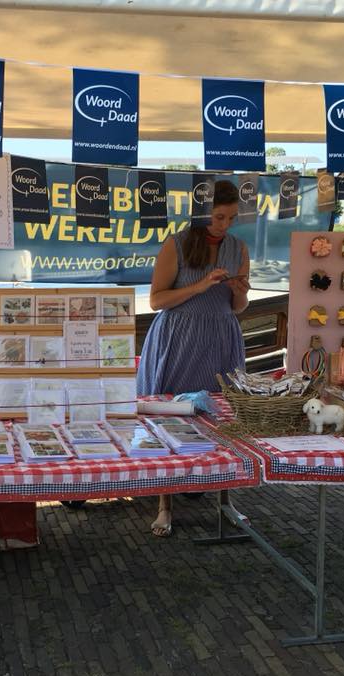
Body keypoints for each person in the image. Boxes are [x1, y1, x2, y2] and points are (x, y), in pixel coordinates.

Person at [137, 180, 250, 537]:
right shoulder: (177, 244)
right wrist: (200, 286)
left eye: (231, 218)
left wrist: (239, 292)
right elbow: (156, 300)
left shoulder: (238, 247)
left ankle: (226, 499)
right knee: (169, 414)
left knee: (223, 416)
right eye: (219, 217)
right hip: (179, 337)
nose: (225, 225)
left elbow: (239, 308)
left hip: (220, 336)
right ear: (202, 213)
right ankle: (164, 504)